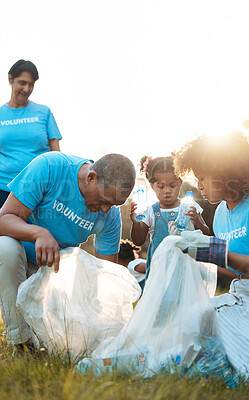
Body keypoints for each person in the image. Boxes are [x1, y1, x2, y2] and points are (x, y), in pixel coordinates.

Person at [0, 151, 136, 354]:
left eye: (114, 205)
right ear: (91, 177)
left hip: (54, 275)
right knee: (5, 248)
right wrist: (38, 233)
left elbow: (108, 276)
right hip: (20, 261)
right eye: (104, 200)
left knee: (58, 344)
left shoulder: (111, 216)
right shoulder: (50, 167)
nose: (106, 210)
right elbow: (4, 219)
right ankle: (21, 343)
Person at [173, 130, 249, 381]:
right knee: (193, 319)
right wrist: (202, 255)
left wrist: (219, 252)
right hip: (243, 296)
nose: (199, 186)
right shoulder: (219, 213)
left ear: (225, 170)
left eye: (203, 177)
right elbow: (236, 271)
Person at [130, 156, 209, 279]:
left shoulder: (189, 205)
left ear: (180, 184)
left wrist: (197, 222)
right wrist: (136, 224)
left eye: (172, 186)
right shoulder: (150, 211)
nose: (167, 191)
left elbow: (205, 233)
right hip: (159, 269)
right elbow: (138, 241)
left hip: (185, 267)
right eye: (161, 187)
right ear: (152, 186)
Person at [0, 59, 62, 207]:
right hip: (3, 190)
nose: (27, 89)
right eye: (22, 83)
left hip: (38, 191)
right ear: (10, 79)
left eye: (31, 84)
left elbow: (57, 156)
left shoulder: (44, 112)